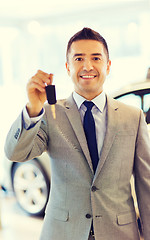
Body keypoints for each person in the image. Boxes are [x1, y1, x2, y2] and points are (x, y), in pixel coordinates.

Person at [4, 28, 150, 240]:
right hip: (63, 233)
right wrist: (33, 108)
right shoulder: (50, 113)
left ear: (108, 66)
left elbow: (146, 184)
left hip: (119, 233)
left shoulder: (133, 117)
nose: (87, 66)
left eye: (96, 58)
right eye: (79, 58)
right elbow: (15, 153)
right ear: (67, 67)